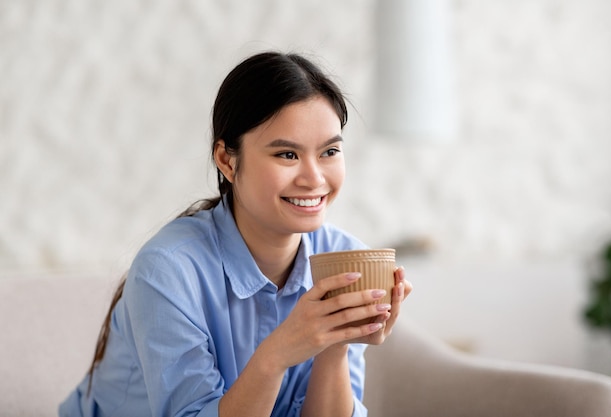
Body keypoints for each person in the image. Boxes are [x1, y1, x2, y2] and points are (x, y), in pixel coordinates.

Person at [59, 51, 412, 417]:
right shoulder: (169, 270)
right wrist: (276, 355)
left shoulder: (344, 257)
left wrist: (336, 344)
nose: (314, 178)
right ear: (227, 160)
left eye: (330, 151)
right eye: (287, 155)